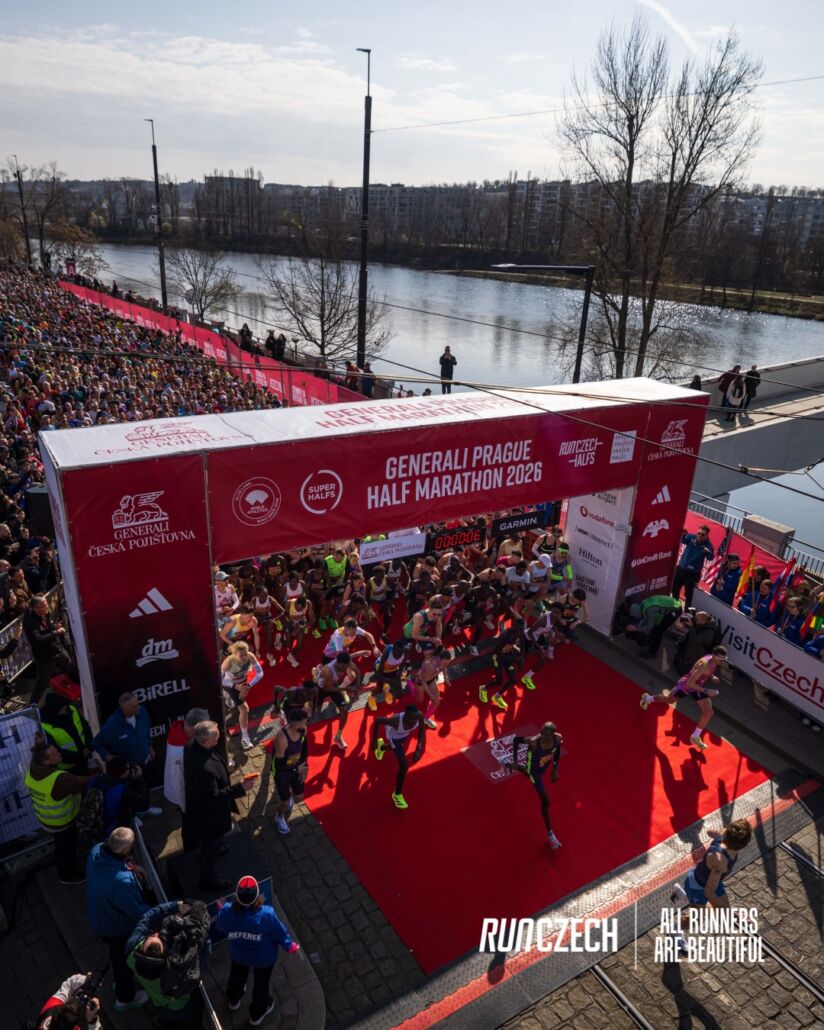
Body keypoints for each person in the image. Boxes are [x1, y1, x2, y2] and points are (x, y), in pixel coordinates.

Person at [216, 876, 300, 1026]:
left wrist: (221, 910)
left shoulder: (227, 912)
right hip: (263, 959)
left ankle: (233, 999)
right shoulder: (267, 915)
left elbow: (221, 926)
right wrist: (290, 946)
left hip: (239, 954)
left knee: (237, 976)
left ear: (237, 896)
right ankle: (257, 1014)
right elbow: (280, 934)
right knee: (261, 984)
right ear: (257, 897)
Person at [183, 721, 255, 890]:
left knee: (213, 842)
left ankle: (214, 848)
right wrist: (240, 788)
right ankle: (207, 880)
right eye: (215, 737)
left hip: (206, 810)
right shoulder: (204, 770)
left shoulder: (192, 745)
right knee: (211, 844)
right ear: (205, 741)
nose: (219, 738)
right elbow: (213, 797)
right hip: (210, 816)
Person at [85, 827, 151, 1011]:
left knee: (117, 957)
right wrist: (159, 913)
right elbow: (137, 910)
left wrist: (130, 868)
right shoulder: (122, 882)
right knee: (123, 961)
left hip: (98, 916)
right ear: (123, 850)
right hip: (114, 927)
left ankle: (120, 983)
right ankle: (125, 997)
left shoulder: (96, 851)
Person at [126, 900, 211, 1029]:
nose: (157, 933)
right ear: (165, 956)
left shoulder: (131, 950)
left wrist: (175, 906)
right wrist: (202, 934)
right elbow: (203, 961)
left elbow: (147, 919)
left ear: (141, 948)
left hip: (161, 1007)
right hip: (186, 1008)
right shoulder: (179, 969)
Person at [25, 738, 93, 883]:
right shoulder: (59, 779)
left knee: (61, 846)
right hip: (62, 823)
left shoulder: (33, 769)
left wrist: (38, 744)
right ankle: (67, 875)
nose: (60, 754)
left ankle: (67, 867)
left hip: (46, 820)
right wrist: (101, 775)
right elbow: (84, 783)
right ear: (46, 761)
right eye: (56, 754)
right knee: (66, 848)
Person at [670, 819, 753, 940]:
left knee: (724, 908)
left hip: (713, 880)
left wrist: (718, 836)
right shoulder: (720, 862)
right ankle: (675, 929)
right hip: (698, 886)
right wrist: (734, 916)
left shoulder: (723, 835)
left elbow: (709, 832)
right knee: (698, 919)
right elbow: (708, 892)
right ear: (743, 844)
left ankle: (685, 895)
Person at [640, 645, 728, 750]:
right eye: (720, 659)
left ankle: (695, 736)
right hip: (686, 686)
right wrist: (707, 691)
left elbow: (704, 672)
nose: (722, 662)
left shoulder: (713, 660)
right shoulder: (704, 665)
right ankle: (648, 698)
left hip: (698, 686)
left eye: (724, 659)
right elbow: (691, 683)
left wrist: (712, 676)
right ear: (714, 655)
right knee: (669, 700)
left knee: (708, 712)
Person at [91, 693, 158, 811]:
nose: (138, 708)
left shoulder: (142, 712)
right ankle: (134, 815)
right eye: (134, 706)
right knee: (132, 796)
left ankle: (145, 810)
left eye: (138, 704)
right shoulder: (112, 725)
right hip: (129, 770)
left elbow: (146, 731)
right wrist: (108, 757)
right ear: (125, 709)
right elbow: (96, 743)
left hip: (145, 762)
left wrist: (150, 747)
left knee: (146, 787)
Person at [506, 722, 563, 847]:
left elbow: (557, 750)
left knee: (526, 773)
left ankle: (508, 765)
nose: (542, 735)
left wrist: (555, 768)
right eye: (541, 732)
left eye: (546, 734)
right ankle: (550, 835)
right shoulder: (533, 742)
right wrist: (515, 759)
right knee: (545, 800)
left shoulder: (558, 738)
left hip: (544, 765)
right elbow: (516, 740)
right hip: (533, 770)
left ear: (552, 735)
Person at [23, 595, 79, 704]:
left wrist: (55, 627)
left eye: (46, 605)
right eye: (44, 606)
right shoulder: (30, 622)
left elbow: (50, 627)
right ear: (35, 609)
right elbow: (38, 640)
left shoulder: (46, 614)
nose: (47, 607)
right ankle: (32, 706)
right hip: (45, 658)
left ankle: (78, 692)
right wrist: (56, 632)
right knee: (42, 683)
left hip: (58, 650)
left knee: (70, 668)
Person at [372, 705, 427, 809]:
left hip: (404, 735)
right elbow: (378, 720)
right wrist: (373, 741)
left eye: (414, 719)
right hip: (394, 737)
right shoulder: (396, 720)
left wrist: (419, 748)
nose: (412, 722)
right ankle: (397, 794)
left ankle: (381, 747)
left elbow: (421, 730)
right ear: (405, 715)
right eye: (410, 719)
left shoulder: (419, 715)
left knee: (392, 748)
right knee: (404, 766)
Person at [163, 707, 210, 813]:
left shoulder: (182, 732)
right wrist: (187, 809)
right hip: (185, 796)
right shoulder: (178, 754)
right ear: (195, 729)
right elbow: (178, 784)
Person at [221, 641, 264, 750]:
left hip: (243, 684)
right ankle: (245, 738)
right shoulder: (228, 661)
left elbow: (260, 673)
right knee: (245, 709)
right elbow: (219, 679)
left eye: (246, 653)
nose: (245, 657)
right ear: (234, 654)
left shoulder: (250, 656)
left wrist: (248, 686)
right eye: (241, 655)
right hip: (230, 685)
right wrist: (235, 686)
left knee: (240, 704)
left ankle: (229, 698)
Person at [271, 710, 308, 836]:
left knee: (300, 796)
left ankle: (288, 794)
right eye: (304, 722)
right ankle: (279, 817)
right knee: (285, 801)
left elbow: (304, 747)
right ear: (296, 724)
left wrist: (305, 765)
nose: (306, 724)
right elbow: (279, 765)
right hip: (281, 772)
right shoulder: (281, 738)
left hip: (296, 767)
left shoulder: (303, 729)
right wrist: (297, 768)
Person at [39, 691, 93, 774]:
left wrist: (89, 746)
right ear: (54, 709)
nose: (65, 707)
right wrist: (80, 756)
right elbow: (56, 751)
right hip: (69, 768)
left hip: (85, 757)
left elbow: (85, 727)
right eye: (62, 707)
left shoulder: (71, 710)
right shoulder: (45, 726)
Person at [314, 652, 358, 750]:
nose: (346, 668)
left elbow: (353, 657)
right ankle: (316, 673)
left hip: (333, 685)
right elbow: (327, 688)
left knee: (344, 712)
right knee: (317, 708)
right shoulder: (329, 671)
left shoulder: (343, 662)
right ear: (339, 663)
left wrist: (361, 653)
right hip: (322, 688)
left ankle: (338, 736)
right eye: (345, 666)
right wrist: (345, 689)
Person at [479, 620, 525, 711]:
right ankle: (483, 689)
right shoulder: (505, 635)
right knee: (499, 681)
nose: (519, 632)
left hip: (508, 656)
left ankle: (497, 696)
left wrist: (521, 657)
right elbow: (496, 652)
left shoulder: (519, 633)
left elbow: (523, 645)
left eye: (521, 630)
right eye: (518, 630)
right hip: (498, 658)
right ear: (513, 626)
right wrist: (514, 659)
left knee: (513, 680)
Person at [37, 974, 102, 1030]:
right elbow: (70, 984)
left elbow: (69, 985)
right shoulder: (50, 1009)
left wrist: (85, 981)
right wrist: (92, 1021)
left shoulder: (50, 1008)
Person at [672, 525, 713, 610]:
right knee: (674, 589)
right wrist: (683, 534)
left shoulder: (708, 545)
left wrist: (707, 552)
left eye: (702, 534)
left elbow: (710, 558)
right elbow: (683, 540)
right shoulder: (691, 537)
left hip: (693, 574)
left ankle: (687, 612)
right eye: (699, 533)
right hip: (681, 569)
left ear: (707, 535)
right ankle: (676, 608)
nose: (700, 535)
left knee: (689, 595)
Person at [673, 611, 720, 675]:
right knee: (675, 664)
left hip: (696, 656)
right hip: (689, 651)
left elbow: (696, 640)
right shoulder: (702, 624)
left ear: (702, 621)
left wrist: (692, 627)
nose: (694, 620)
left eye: (696, 619)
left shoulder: (710, 632)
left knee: (681, 672)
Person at [370, 639, 408, 709]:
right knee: (379, 688)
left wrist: (399, 675)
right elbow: (379, 672)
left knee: (399, 693)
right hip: (380, 668)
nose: (399, 655)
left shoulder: (405, 651)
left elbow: (403, 664)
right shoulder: (387, 652)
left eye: (400, 653)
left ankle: (387, 689)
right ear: (393, 649)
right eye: (397, 653)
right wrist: (386, 680)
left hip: (393, 668)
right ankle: (371, 698)